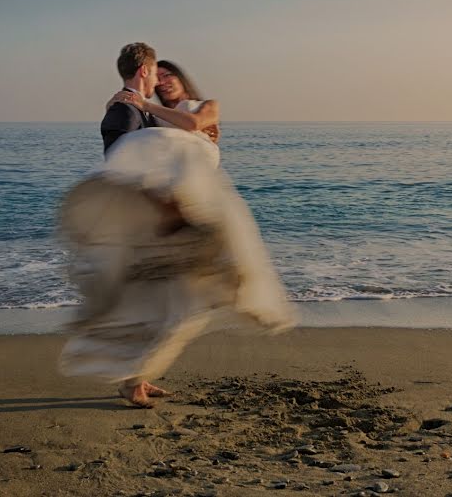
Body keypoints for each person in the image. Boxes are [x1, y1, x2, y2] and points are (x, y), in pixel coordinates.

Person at [58, 42, 295, 408]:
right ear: (145, 73)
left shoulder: (195, 108)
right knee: (165, 299)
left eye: (170, 75)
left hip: (195, 205)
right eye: (159, 74)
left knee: (181, 298)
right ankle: (131, 381)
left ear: (183, 80)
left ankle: (139, 377)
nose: (163, 80)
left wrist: (139, 103)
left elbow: (194, 126)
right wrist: (126, 105)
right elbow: (133, 159)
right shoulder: (147, 116)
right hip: (170, 215)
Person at [107, 60, 221, 161]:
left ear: (180, 77)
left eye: (166, 75)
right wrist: (112, 106)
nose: (161, 83)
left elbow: (194, 123)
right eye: (157, 79)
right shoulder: (154, 117)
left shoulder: (208, 105)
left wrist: (144, 104)